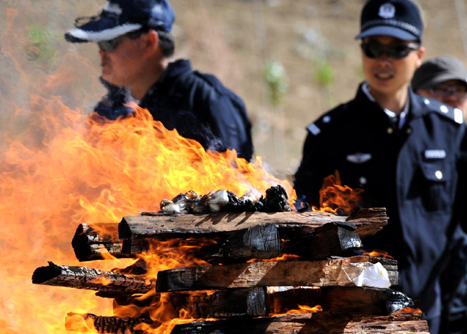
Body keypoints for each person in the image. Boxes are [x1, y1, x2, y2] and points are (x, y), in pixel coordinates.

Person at [293, 1, 466, 333]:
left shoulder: (450, 130)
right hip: (355, 317)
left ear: (419, 55)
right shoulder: (329, 135)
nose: (384, 59)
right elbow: (306, 232)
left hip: (433, 313)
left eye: (398, 49)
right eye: (373, 48)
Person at [64, 0, 254, 161]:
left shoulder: (207, 101)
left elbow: (236, 189)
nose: (102, 53)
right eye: (100, 43)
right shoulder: (109, 109)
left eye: (109, 42)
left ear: (148, 42)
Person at [412, 56, 467, 334]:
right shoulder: (405, 148)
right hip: (418, 292)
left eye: (459, 90)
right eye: (441, 89)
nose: (452, 97)